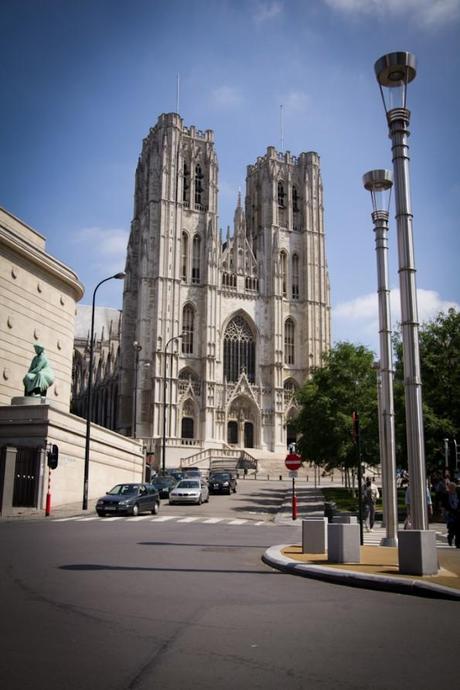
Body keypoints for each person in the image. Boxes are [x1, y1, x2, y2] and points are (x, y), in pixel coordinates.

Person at [445, 481, 460, 548]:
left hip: (458, 512)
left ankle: (458, 543)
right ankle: (450, 537)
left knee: (458, 529)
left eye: (453, 488)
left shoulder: (458, 494)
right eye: (450, 488)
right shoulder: (446, 495)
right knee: (451, 528)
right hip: (450, 513)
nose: (451, 489)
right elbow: (444, 505)